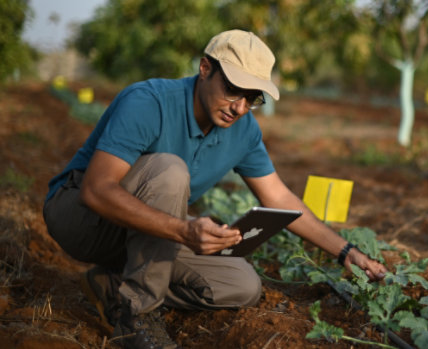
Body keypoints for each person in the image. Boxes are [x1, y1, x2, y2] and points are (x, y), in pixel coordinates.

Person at [43, 29, 387, 349]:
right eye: (233, 89)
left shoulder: (244, 130)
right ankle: (137, 317)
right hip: (81, 218)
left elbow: (279, 198)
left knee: (241, 286)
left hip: (143, 232)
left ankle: (109, 287)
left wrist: (347, 252)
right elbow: (97, 190)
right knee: (170, 170)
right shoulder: (149, 101)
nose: (240, 107)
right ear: (205, 68)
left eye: (252, 98)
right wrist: (182, 229)